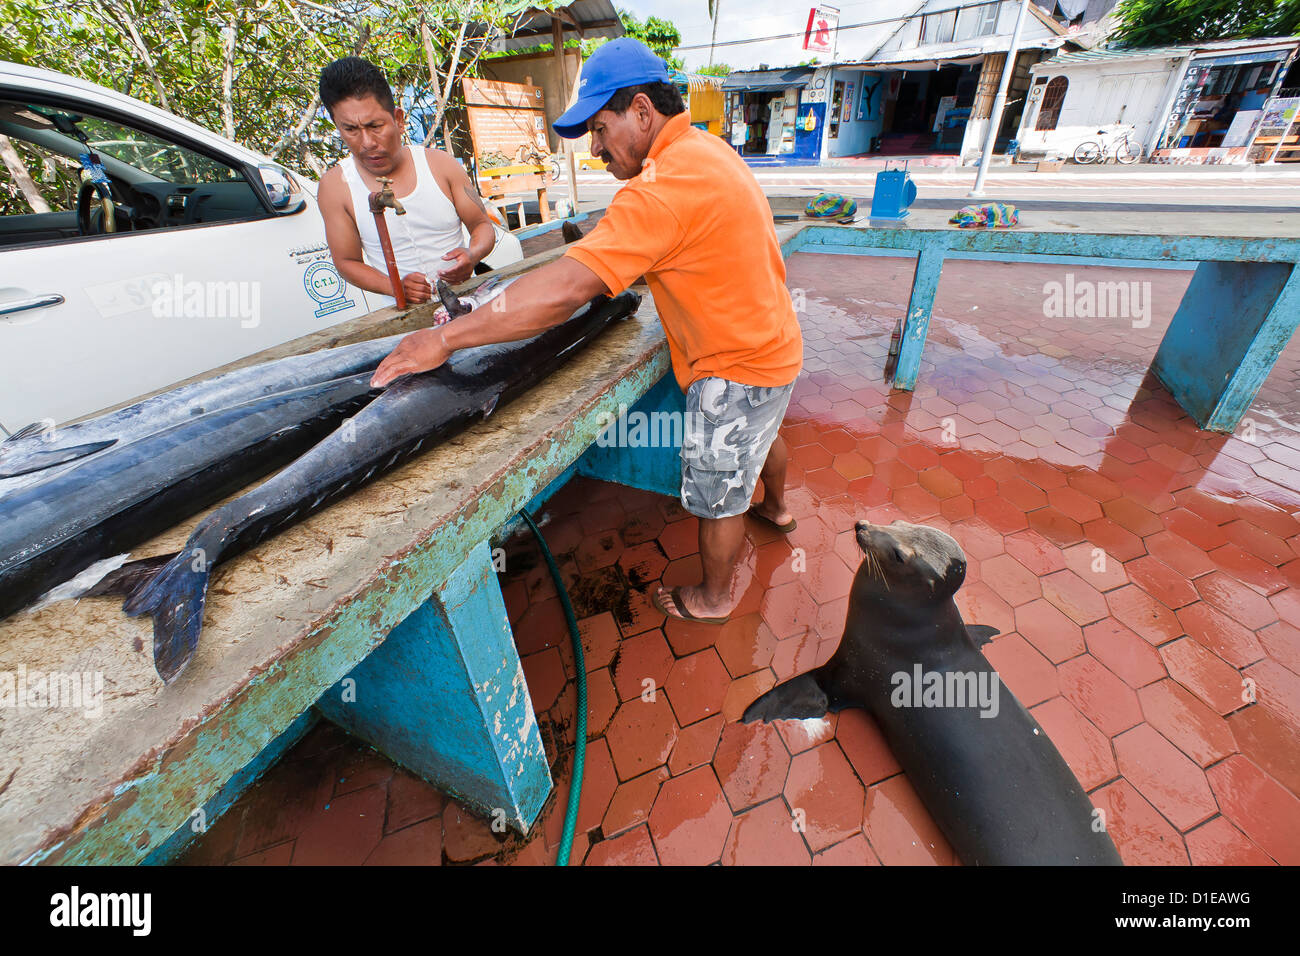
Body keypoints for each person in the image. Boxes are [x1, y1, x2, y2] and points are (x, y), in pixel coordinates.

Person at [371, 38, 803, 624]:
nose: (595, 148)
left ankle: (714, 598)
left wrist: (446, 338)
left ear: (644, 112)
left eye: (600, 128)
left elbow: (567, 289)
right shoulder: (704, 150)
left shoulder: (657, 190)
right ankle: (777, 510)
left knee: (720, 496)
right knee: (759, 439)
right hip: (776, 345)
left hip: (733, 367)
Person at [316, 56, 496, 308]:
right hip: (400, 316)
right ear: (337, 126)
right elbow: (347, 261)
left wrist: (471, 254)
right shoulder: (336, 187)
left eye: (375, 126)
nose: (367, 142)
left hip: (466, 303)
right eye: (351, 130)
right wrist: (396, 286)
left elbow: (482, 226)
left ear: (398, 120)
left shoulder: (440, 165)